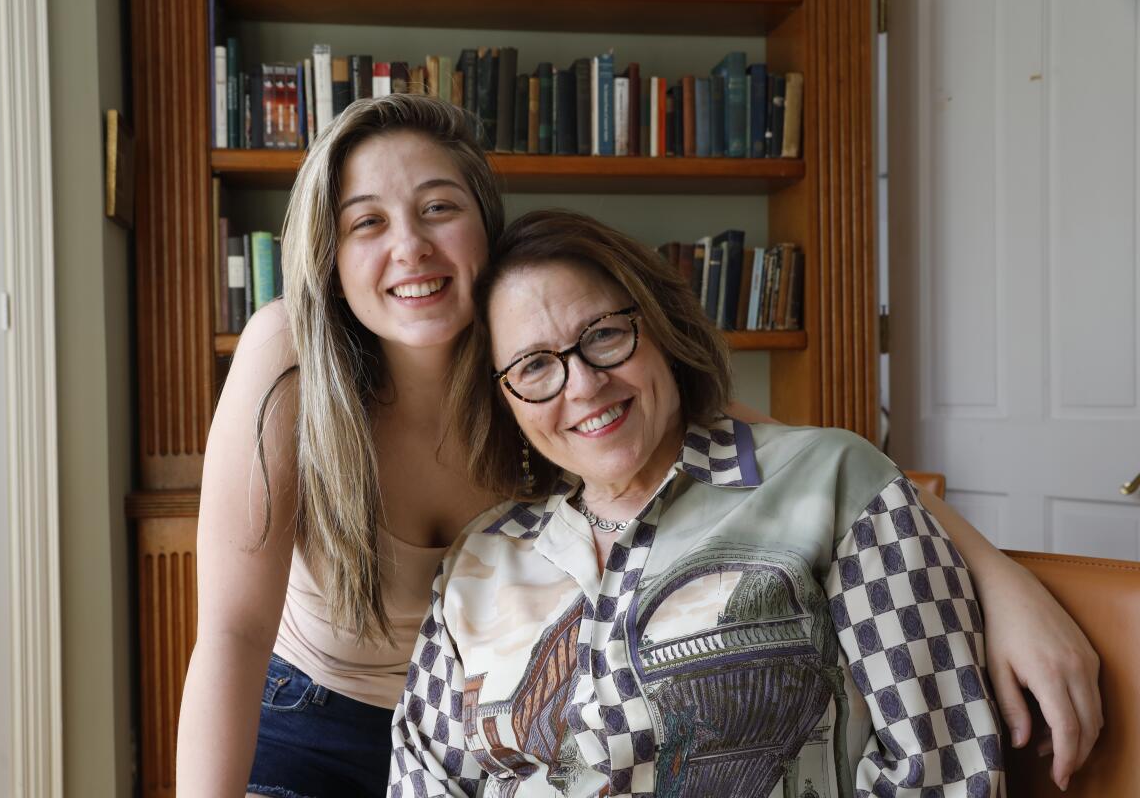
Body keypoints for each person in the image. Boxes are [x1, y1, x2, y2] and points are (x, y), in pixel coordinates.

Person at [176, 95, 1099, 798]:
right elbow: (232, 631)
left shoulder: (537, 363)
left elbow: (786, 455)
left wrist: (996, 574)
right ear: (328, 255)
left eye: (438, 207)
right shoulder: (291, 354)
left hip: (498, 734)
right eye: (365, 221)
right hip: (313, 723)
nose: (409, 246)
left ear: (485, 228)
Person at [390, 210, 1011, 796]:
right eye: (534, 367)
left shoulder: (833, 483)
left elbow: (943, 769)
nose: (583, 385)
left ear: (660, 327)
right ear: (505, 401)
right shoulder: (481, 556)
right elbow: (420, 776)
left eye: (604, 335)